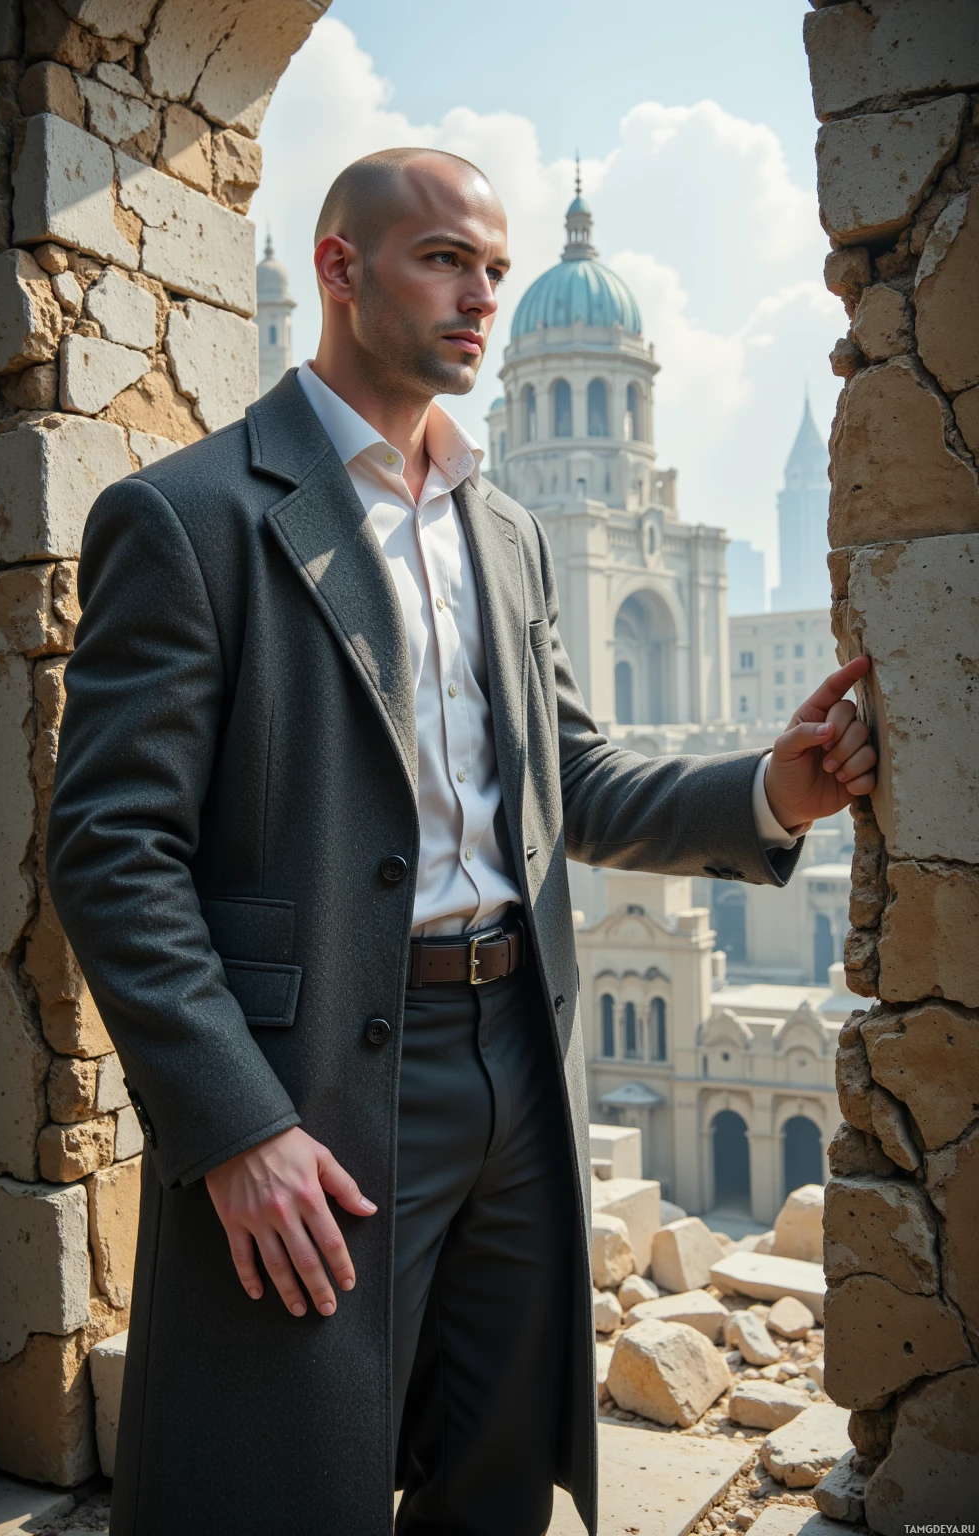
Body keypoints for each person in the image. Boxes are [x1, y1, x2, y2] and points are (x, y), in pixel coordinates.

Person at [47, 148, 877, 1536]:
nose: (481, 296)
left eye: (494, 269)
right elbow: (109, 850)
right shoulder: (191, 518)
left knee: (496, 1469)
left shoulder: (505, 528)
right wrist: (238, 1126)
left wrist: (770, 797)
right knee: (282, 1475)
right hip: (314, 1084)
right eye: (444, 259)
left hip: (522, 1063)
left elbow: (569, 781)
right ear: (338, 269)